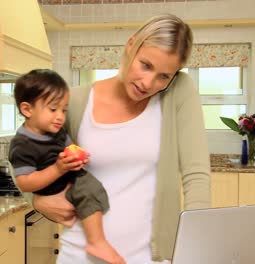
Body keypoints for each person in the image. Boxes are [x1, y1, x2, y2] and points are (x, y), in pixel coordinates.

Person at [32, 14, 211, 264]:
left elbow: (196, 174)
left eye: (164, 76)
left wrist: (196, 246)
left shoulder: (179, 92)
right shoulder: (75, 101)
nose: (149, 83)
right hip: (80, 255)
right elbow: (24, 152)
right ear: (131, 45)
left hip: (152, 258)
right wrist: (37, 199)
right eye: (145, 65)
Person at [9, 69, 126, 264]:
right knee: (88, 192)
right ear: (27, 110)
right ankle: (97, 241)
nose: (60, 117)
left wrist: (77, 156)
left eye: (64, 110)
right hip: (55, 189)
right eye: (53, 109)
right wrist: (58, 169)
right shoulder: (22, 145)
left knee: (92, 189)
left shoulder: (57, 132)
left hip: (70, 179)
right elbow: (25, 183)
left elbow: (69, 148)